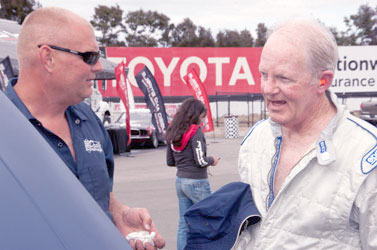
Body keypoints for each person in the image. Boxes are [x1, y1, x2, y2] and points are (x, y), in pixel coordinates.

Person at [4, 7, 165, 250]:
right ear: (48, 58)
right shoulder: (6, 129)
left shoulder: (88, 120)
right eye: (89, 56)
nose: (99, 66)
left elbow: (98, 194)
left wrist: (118, 214)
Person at [237, 19, 377, 249]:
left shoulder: (366, 156)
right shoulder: (256, 139)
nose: (268, 89)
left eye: (283, 78)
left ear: (323, 81)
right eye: (264, 74)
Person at [164, 98, 219, 250]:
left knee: (184, 223)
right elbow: (200, 161)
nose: (203, 119)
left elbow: (170, 161)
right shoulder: (196, 133)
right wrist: (212, 160)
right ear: (196, 114)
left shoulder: (174, 131)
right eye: (203, 115)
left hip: (180, 181)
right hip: (197, 182)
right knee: (211, 219)